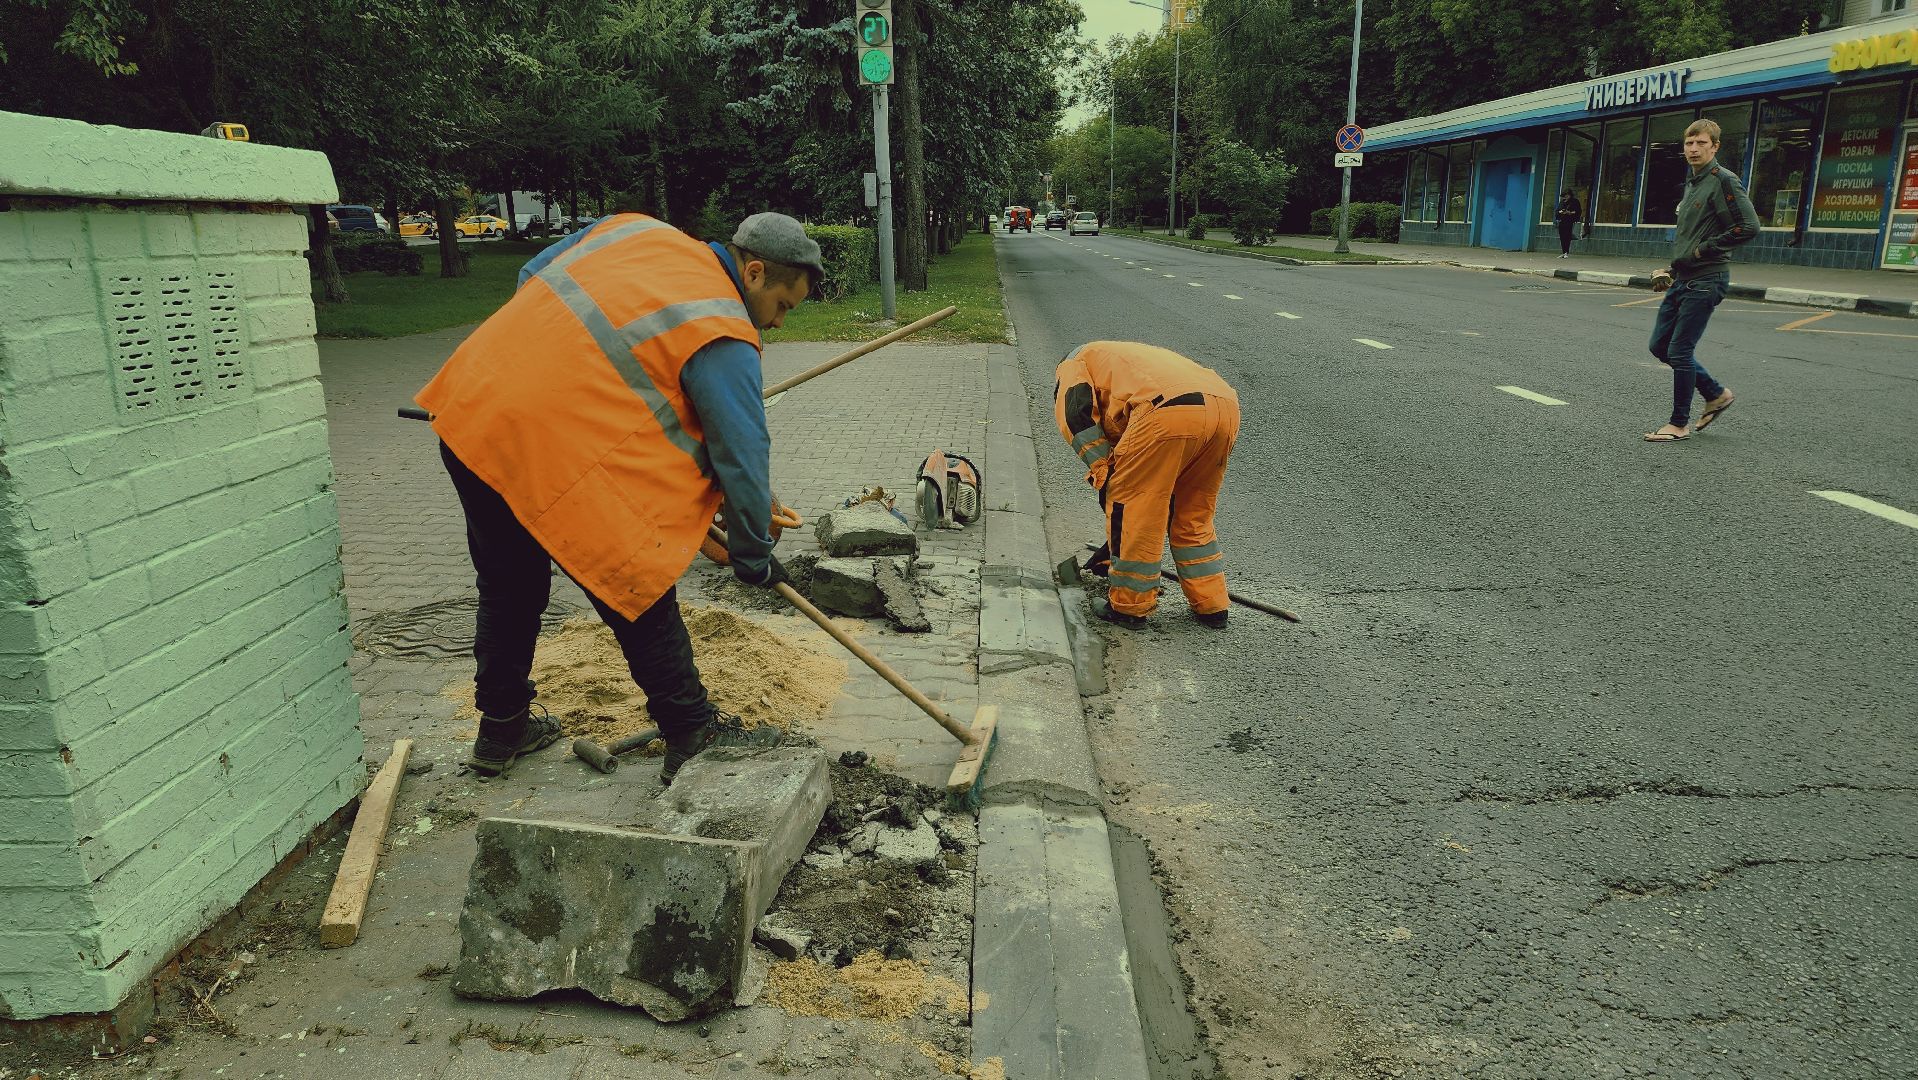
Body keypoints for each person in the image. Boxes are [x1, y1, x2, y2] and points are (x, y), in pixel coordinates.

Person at [414, 212, 823, 782]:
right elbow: (743, 456)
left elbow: (532, 278)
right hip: (551, 447)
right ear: (753, 273)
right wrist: (753, 555)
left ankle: (500, 728)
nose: (777, 324)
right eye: (783, 306)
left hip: (475, 409)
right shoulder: (724, 329)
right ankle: (690, 731)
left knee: (509, 586)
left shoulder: (636, 230)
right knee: (632, 577)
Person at [1055, 341, 1240, 629]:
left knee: (1135, 510)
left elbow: (1076, 415)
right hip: (1224, 408)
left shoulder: (1073, 363)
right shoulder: (1121, 359)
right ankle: (1212, 605)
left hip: (1165, 410)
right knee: (1192, 513)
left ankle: (1129, 607)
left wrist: (1105, 472)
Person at [1643, 118, 1759, 443]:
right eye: (1689, 144)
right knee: (1659, 345)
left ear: (1715, 146)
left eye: (1701, 143)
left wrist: (1701, 252)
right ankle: (1716, 394)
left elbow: (1748, 227)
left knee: (1680, 350)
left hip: (1707, 279)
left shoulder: (1724, 181)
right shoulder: (1694, 183)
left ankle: (1678, 424)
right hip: (1685, 278)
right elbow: (1693, 234)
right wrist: (1671, 269)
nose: (1693, 149)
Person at [1554, 190, 1582, 258]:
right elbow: (1557, 211)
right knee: (1562, 236)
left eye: (1566, 196)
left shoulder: (1575, 201)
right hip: (1562, 221)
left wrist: (1569, 213)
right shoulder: (1562, 202)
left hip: (1570, 221)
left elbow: (1578, 211)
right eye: (1563, 196)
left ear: (1570, 195)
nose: (1565, 198)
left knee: (1567, 236)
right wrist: (1561, 212)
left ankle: (1566, 252)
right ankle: (1564, 252)